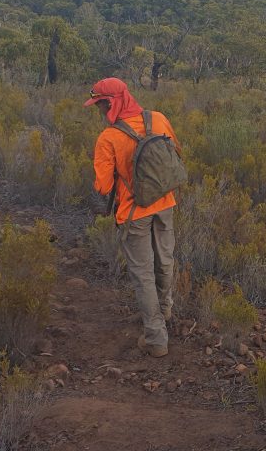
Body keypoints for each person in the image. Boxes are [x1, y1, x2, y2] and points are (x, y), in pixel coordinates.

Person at [85, 77, 180, 357]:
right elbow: (176, 154)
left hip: (133, 213)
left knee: (143, 274)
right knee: (165, 260)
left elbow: (103, 186)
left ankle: (155, 338)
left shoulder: (108, 138)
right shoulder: (159, 119)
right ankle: (165, 312)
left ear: (112, 103)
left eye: (101, 104)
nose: (100, 109)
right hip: (165, 204)